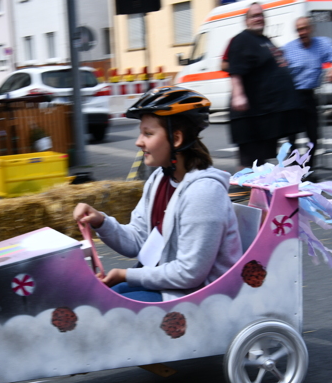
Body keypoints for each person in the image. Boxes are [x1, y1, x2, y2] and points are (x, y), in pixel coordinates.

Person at [73, 87, 242, 302]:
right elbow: (137, 240)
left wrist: (125, 275)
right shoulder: (159, 180)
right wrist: (101, 222)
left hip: (202, 297)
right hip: (168, 285)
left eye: (148, 134)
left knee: (109, 304)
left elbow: (189, 273)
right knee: (98, 298)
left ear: (177, 138)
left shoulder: (204, 192)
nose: (139, 141)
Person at [229, 3, 304, 167]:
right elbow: (235, 70)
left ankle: (266, 188)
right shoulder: (242, 40)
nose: (259, 18)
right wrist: (238, 95)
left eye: (261, 15)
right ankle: (247, 190)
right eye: (254, 16)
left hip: (269, 113)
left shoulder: (264, 40)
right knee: (252, 164)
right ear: (246, 20)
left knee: (264, 162)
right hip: (252, 116)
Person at [283, 16, 332, 153]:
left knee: (313, 135)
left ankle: (309, 169)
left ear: (311, 28)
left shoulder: (322, 44)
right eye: (299, 30)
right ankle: (293, 169)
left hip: (309, 95)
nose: (302, 32)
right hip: (292, 95)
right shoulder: (288, 48)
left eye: (304, 28)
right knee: (292, 137)